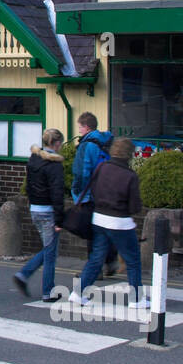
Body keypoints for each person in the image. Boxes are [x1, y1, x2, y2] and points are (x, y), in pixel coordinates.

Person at [74, 137, 144, 307]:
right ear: (129, 154)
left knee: (96, 258)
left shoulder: (102, 167)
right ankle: (136, 299)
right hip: (120, 222)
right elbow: (135, 206)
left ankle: (78, 293)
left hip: (99, 218)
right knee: (133, 260)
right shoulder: (130, 175)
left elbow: (93, 190)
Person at [15, 129, 66, 301]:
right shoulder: (55, 165)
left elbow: (28, 185)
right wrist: (60, 219)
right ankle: (46, 290)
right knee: (50, 252)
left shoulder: (33, 159)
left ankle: (24, 275)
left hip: (35, 208)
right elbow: (57, 193)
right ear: (56, 143)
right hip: (48, 211)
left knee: (48, 249)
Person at [72, 111, 118, 278]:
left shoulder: (86, 145)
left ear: (86, 127)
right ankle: (110, 260)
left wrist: (77, 193)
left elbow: (81, 173)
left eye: (80, 127)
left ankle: (95, 270)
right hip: (107, 192)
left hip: (90, 195)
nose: (79, 131)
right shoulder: (107, 141)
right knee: (103, 229)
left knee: (91, 232)